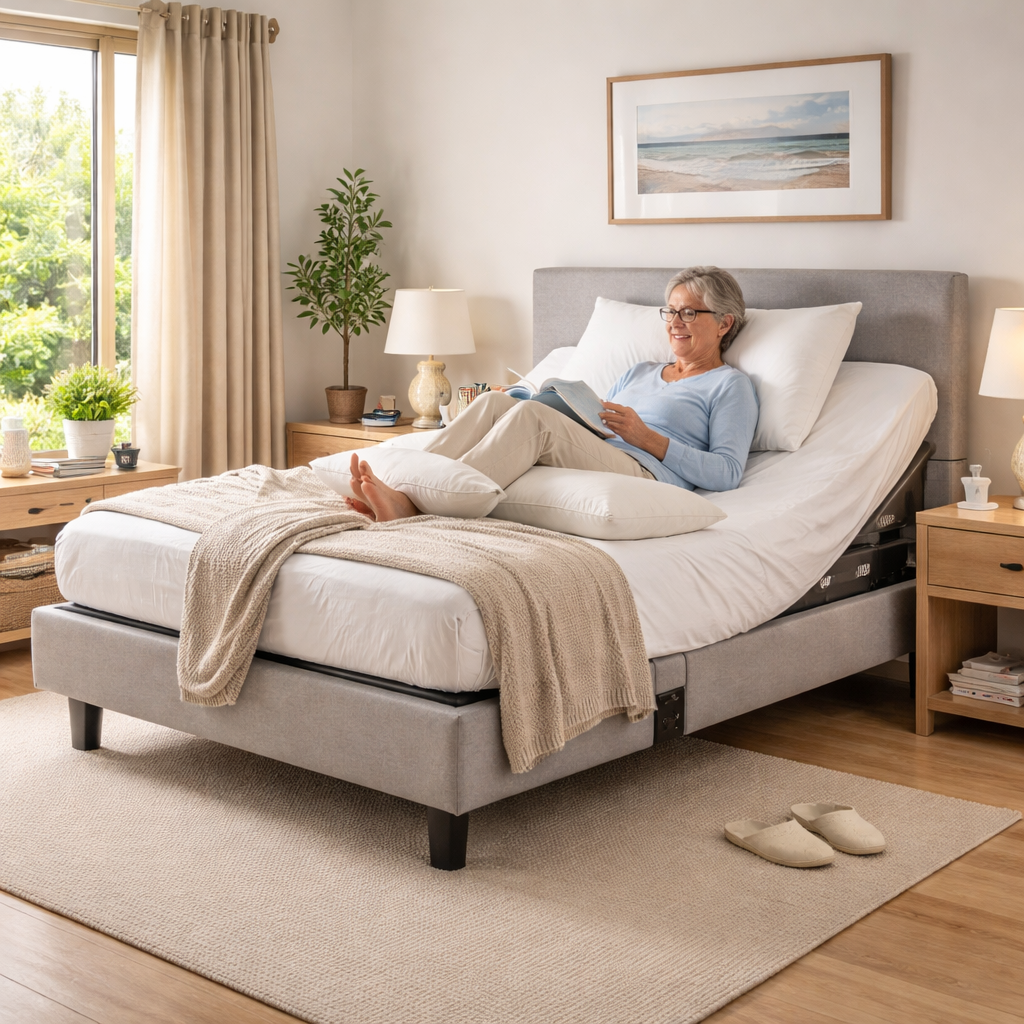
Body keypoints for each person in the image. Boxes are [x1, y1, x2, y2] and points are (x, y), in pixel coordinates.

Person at [346, 266, 758, 522]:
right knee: (497, 403)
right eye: (670, 311)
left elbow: (726, 472)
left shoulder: (729, 385)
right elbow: (594, 417)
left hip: (646, 468)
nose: (674, 322)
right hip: (602, 446)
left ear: (724, 324)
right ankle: (401, 483)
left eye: (689, 312)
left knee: (533, 422)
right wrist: (525, 398)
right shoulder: (642, 370)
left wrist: (646, 437)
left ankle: (418, 507)